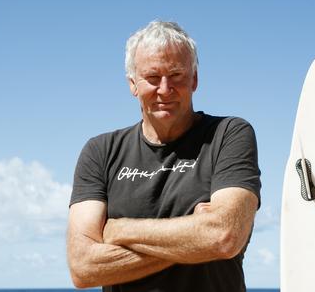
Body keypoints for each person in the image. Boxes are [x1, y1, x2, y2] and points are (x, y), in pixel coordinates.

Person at [66, 20, 262, 292]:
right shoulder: (100, 151)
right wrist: (195, 235)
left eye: (177, 75)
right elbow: (83, 268)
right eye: (153, 78)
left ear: (194, 79)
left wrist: (119, 230)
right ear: (133, 84)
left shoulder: (228, 134)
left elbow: (224, 236)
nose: (165, 89)